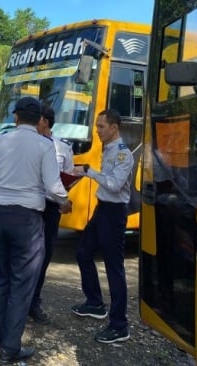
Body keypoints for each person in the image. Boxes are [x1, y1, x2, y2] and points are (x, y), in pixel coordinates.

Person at [0, 96, 71, 365]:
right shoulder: (45, 145)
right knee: (21, 285)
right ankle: (10, 348)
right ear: (39, 119)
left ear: (16, 117)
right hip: (27, 221)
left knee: (0, 278)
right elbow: (53, 186)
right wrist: (65, 202)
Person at [71, 109, 134, 344]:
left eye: (101, 126)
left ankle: (119, 325)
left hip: (114, 213)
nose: (97, 131)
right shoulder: (108, 149)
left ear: (114, 127)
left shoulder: (122, 154)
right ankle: (95, 303)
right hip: (102, 209)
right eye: (97, 126)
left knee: (113, 268)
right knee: (83, 253)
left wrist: (89, 173)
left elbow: (115, 185)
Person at [29, 104, 74, 325]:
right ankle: (20, 299)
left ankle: (34, 301)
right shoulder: (28, 145)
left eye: (35, 120)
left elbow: (68, 177)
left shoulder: (63, 148)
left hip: (51, 208)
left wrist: (64, 195)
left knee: (44, 256)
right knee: (25, 255)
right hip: (30, 207)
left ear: (44, 121)